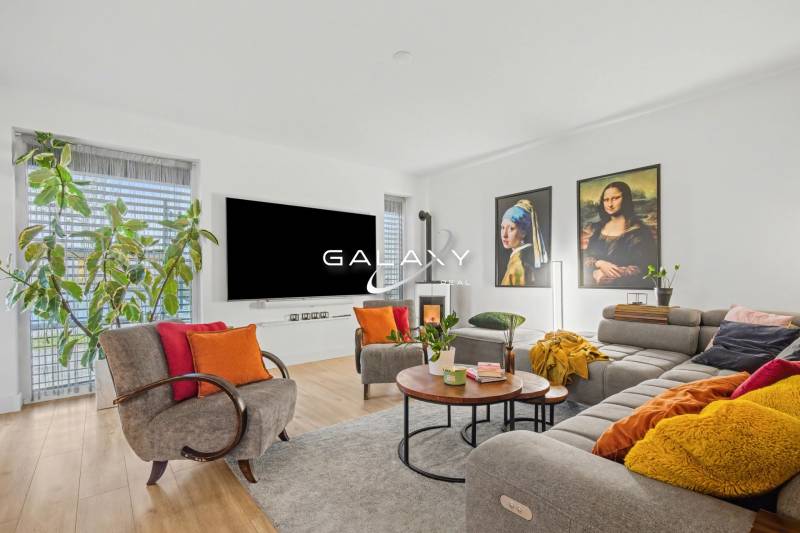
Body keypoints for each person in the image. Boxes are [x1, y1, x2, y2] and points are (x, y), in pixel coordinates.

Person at [582, 181, 656, 287]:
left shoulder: (639, 231)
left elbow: (644, 267)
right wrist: (598, 264)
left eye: (615, 198)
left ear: (625, 199)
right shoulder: (596, 228)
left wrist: (605, 274)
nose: (610, 204)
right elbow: (584, 258)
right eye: (606, 200)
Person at [499, 199, 548, 286]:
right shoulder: (519, 259)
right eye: (502, 227)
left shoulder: (519, 265)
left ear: (523, 232)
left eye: (511, 228)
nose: (504, 235)